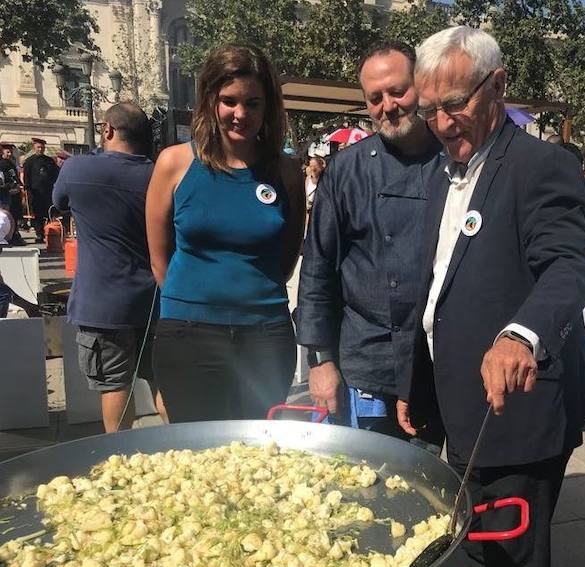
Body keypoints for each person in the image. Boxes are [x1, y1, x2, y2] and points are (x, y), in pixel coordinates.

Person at [398, 27, 585, 567]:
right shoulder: (440, 172)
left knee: (513, 559)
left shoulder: (541, 166)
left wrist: (522, 334)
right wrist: (416, 381)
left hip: (517, 408)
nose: (441, 121)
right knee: (480, 546)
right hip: (459, 401)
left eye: (453, 103)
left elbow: (569, 268)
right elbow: (440, 287)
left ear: (498, 87)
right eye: (429, 109)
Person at [146, 44, 303, 422]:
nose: (240, 114)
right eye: (229, 101)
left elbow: (286, 258)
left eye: (253, 103)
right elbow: (158, 258)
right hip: (188, 335)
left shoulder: (286, 173)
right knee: (194, 455)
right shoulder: (174, 163)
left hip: (266, 335)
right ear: (210, 101)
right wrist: (196, 303)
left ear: (268, 107)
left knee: (258, 456)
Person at [297, 41, 445, 442]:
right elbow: (317, 269)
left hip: (441, 360)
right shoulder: (345, 171)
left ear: (423, 86)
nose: (388, 106)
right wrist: (320, 360)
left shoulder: (455, 161)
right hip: (369, 359)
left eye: (398, 91)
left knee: (434, 484)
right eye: (375, 98)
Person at [52, 103, 164, 433]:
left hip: (102, 305)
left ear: (107, 130)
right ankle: (179, 450)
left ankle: (120, 457)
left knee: (115, 384)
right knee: (163, 381)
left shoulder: (77, 170)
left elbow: (58, 203)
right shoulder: (160, 173)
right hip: (158, 299)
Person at [22, 137, 59, 243]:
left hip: (48, 192)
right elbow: (26, 177)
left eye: (42, 148)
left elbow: (55, 175)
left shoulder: (49, 161)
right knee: (37, 214)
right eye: (38, 147)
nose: (40, 149)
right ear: (34, 147)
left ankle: (50, 233)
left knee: (48, 213)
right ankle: (39, 234)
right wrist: (27, 189)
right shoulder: (29, 161)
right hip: (35, 192)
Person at [0, 143, 23, 227]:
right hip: (6, 192)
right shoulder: (1, 164)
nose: (10, 154)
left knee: (15, 213)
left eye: (11, 152)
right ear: (3, 152)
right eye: (8, 152)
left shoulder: (11, 164)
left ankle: (15, 231)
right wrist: (11, 185)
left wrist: (19, 184)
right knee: (6, 215)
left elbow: (14, 176)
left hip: (15, 192)